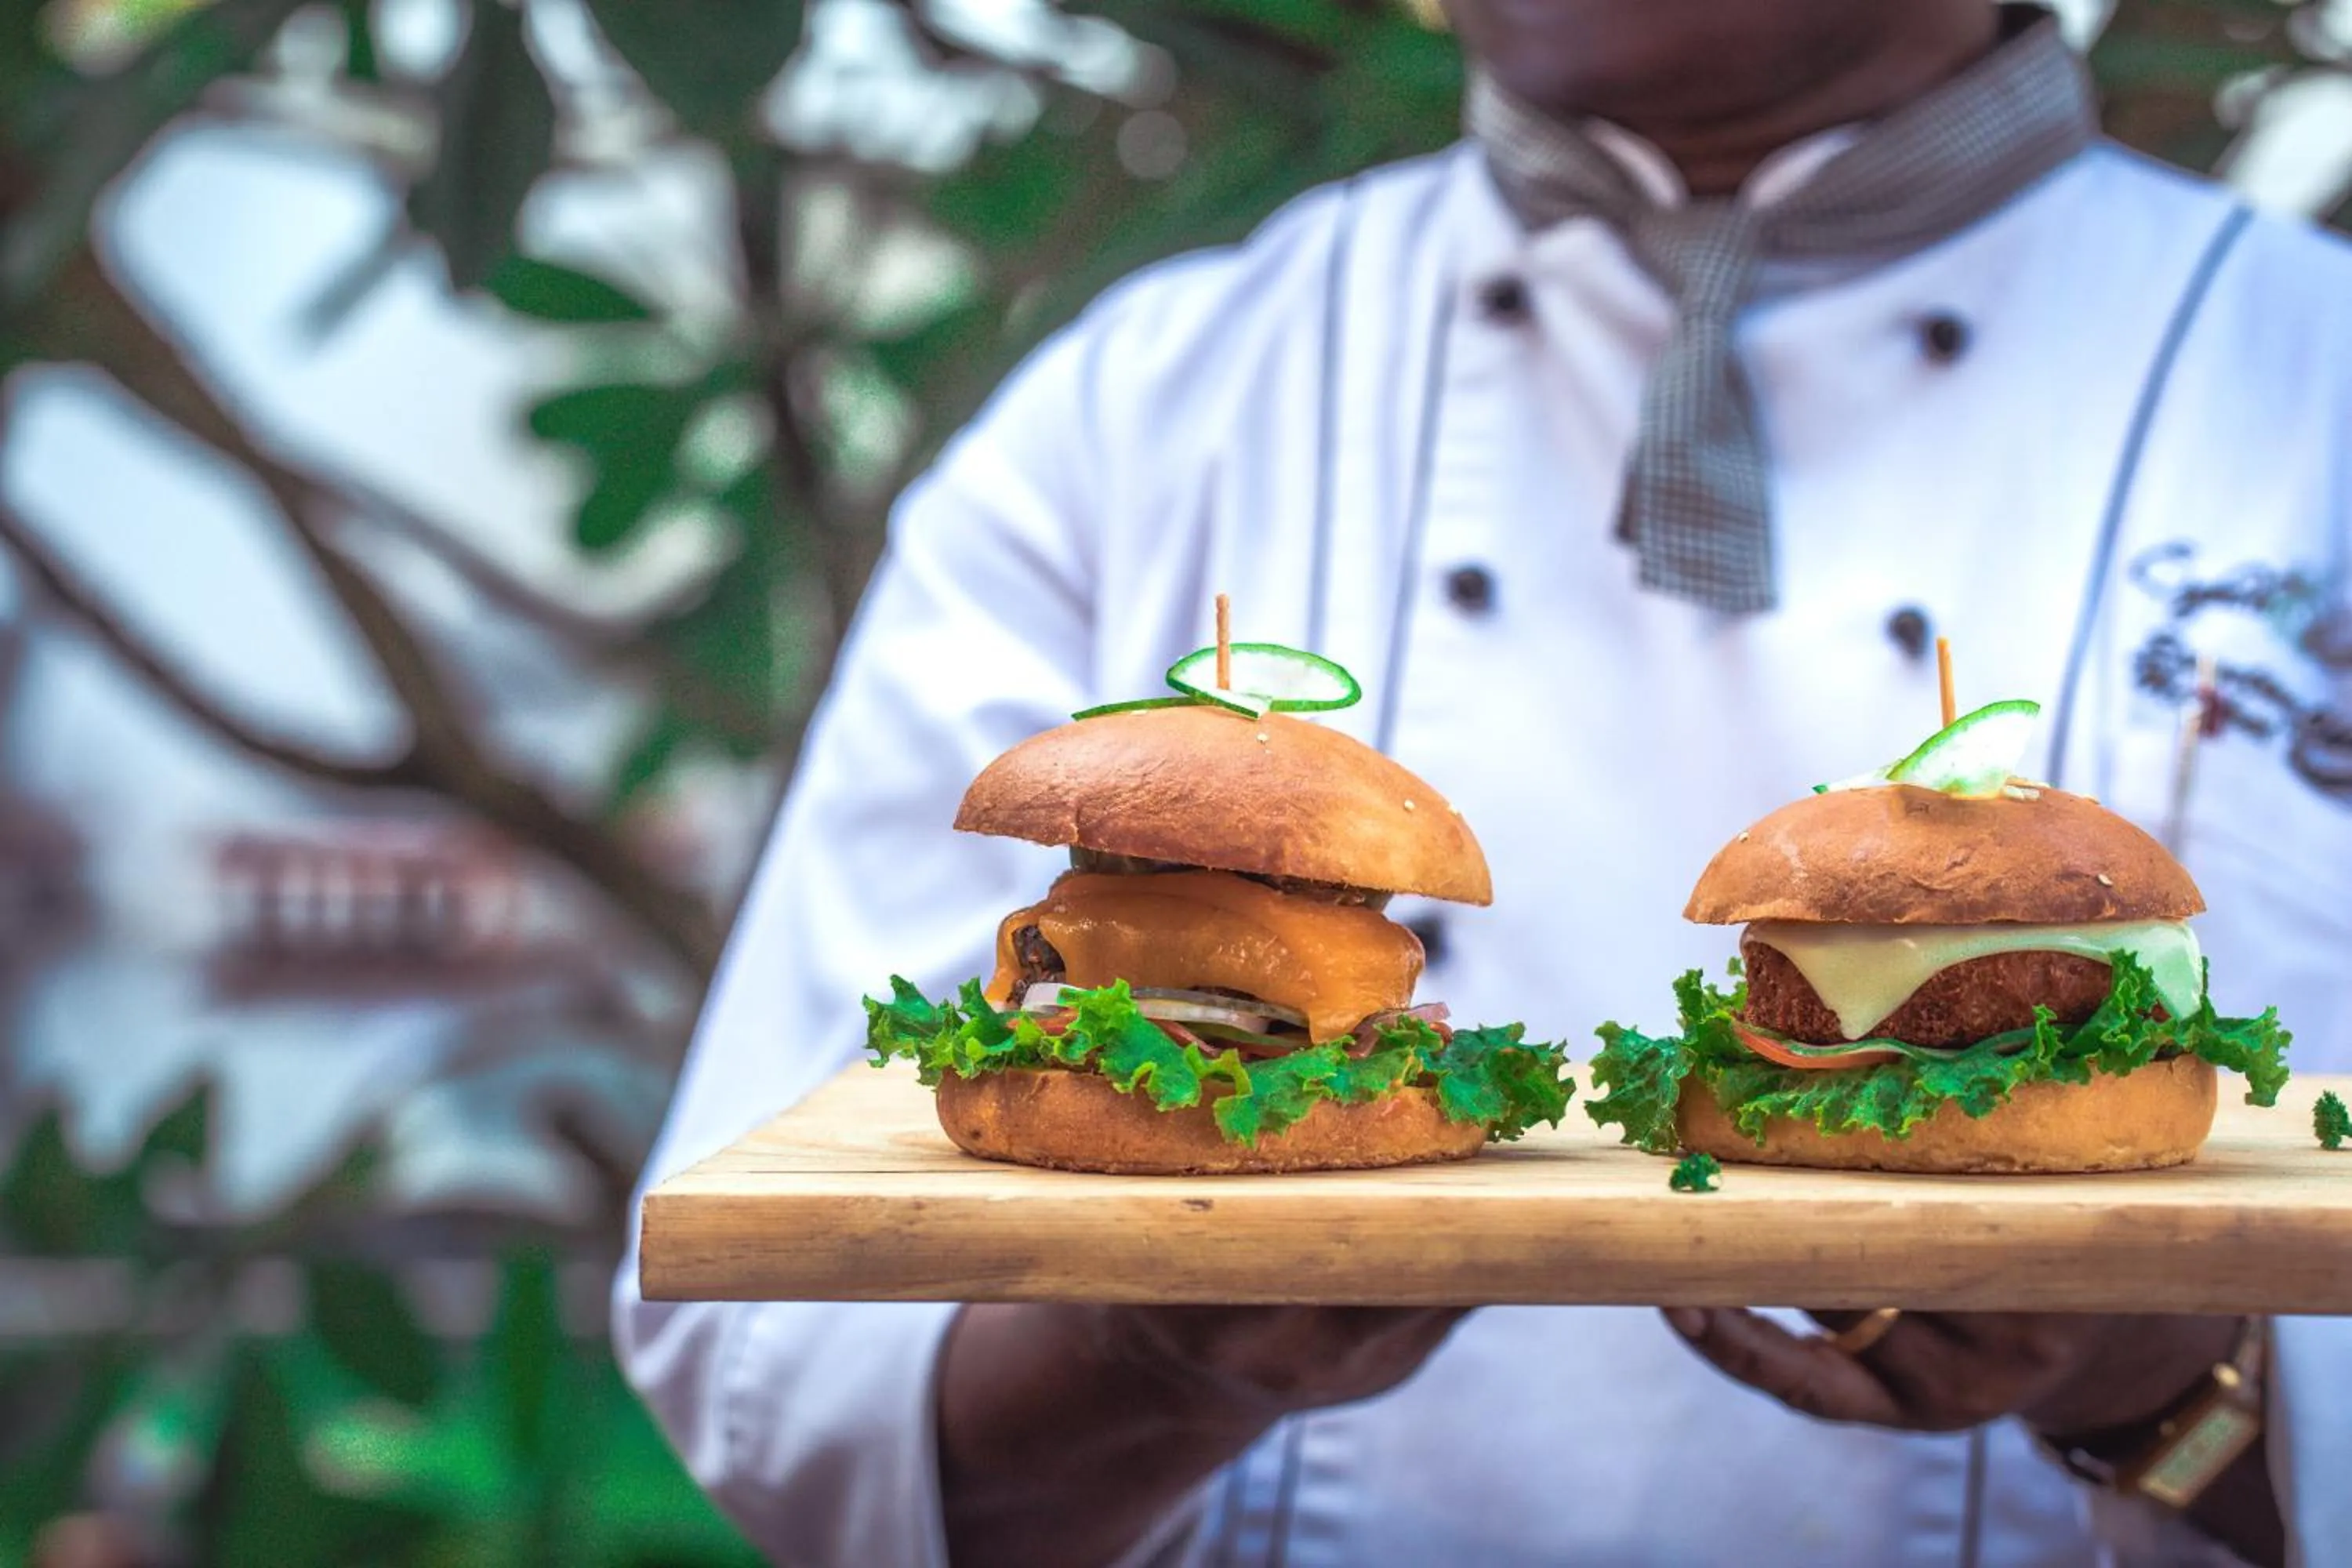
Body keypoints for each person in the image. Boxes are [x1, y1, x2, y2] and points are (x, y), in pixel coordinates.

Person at [614, 2, 2352, 1563]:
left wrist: (2182, 1388)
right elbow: (778, 1373)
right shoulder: (1145, 407)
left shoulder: (2317, 386)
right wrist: (1144, 1353)